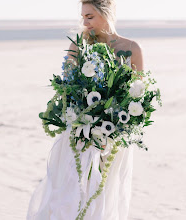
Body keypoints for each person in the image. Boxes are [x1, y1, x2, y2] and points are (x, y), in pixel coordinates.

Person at [27, 0, 144, 219]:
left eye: (89, 16)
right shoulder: (79, 45)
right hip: (78, 134)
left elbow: (138, 95)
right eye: (82, 17)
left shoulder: (132, 49)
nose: (84, 22)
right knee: (71, 192)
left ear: (106, 13)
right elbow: (67, 89)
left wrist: (117, 126)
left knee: (105, 193)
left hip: (114, 138)